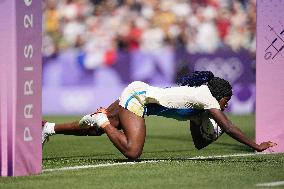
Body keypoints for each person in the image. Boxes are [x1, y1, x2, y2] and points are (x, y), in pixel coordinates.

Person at [42, 71, 276, 160]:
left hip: (139, 93)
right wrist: (255, 146)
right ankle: (102, 120)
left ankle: (48, 128)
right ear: (219, 95)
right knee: (133, 152)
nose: (226, 105)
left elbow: (198, 144)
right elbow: (230, 127)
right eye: (226, 101)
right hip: (137, 97)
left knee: (93, 131)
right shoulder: (208, 97)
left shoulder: (202, 105)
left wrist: (204, 127)